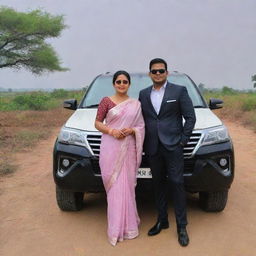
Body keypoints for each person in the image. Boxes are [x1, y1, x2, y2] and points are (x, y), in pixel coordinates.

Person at [139, 58, 196, 246]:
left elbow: (190, 118)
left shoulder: (179, 91)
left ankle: (181, 226)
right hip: (153, 147)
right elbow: (140, 120)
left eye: (161, 71)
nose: (157, 74)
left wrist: (183, 141)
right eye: (154, 71)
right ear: (150, 74)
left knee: (177, 183)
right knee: (158, 184)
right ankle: (162, 220)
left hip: (173, 147)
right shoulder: (143, 94)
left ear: (166, 72)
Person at [95, 70, 145, 246]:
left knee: (127, 186)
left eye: (125, 82)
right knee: (114, 185)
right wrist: (112, 131)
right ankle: (115, 228)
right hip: (111, 146)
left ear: (129, 84)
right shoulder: (106, 101)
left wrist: (132, 130)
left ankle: (129, 227)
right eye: (118, 82)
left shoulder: (136, 104)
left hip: (129, 147)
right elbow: (97, 122)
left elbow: (140, 125)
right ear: (114, 84)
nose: (122, 84)